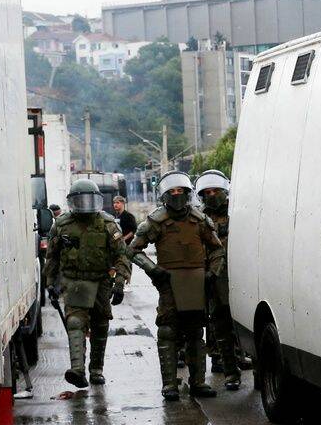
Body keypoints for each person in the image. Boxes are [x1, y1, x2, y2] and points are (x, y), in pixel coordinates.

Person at [129, 171, 225, 401]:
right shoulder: (157, 221)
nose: (176, 195)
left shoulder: (199, 220)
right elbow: (132, 249)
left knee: (195, 332)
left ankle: (198, 382)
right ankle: (169, 385)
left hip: (196, 282)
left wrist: (213, 272)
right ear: (164, 195)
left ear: (187, 193)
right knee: (168, 331)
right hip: (169, 283)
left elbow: (217, 248)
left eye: (180, 191)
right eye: (172, 192)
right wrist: (153, 270)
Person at [43, 179, 131, 388]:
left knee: (100, 325)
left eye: (88, 199)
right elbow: (52, 257)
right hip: (75, 281)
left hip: (100, 281)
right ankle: (77, 370)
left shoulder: (108, 224)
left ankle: (96, 369)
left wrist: (119, 282)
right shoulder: (62, 225)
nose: (84, 204)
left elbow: (122, 256)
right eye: (80, 200)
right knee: (75, 323)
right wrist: (49, 282)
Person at [194, 170, 242, 391]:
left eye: (216, 191)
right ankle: (230, 372)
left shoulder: (239, 212)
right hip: (214, 278)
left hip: (242, 275)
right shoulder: (199, 218)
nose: (212, 195)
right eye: (207, 192)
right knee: (220, 325)